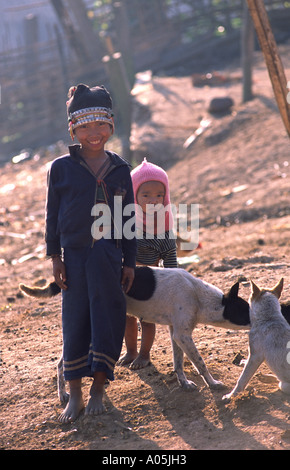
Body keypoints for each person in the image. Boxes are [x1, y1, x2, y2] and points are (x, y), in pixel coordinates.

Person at [45, 83, 136, 422]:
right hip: (75, 257)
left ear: (111, 126)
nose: (93, 133)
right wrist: (56, 258)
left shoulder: (120, 169)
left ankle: (99, 386)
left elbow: (128, 220)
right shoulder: (61, 168)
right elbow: (52, 215)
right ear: (73, 129)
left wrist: (129, 261)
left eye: (100, 125)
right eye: (84, 126)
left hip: (109, 257)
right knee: (75, 321)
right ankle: (76, 394)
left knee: (107, 318)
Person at [118, 158, 177, 369]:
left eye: (159, 195)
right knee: (127, 317)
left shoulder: (164, 226)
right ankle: (131, 351)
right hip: (125, 278)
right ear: (134, 195)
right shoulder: (125, 222)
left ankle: (144, 354)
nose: (153, 200)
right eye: (146, 195)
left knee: (147, 319)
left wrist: (173, 287)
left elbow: (171, 260)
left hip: (149, 283)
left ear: (166, 196)